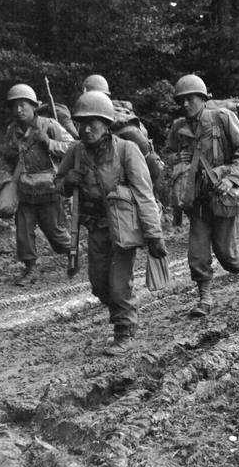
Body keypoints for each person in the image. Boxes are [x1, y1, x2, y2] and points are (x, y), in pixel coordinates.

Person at [57, 91, 165, 355]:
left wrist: (154, 234)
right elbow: (58, 184)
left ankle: (124, 331)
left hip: (124, 229)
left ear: (106, 124)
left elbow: (144, 194)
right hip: (96, 228)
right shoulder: (76, 151)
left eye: (93, 121)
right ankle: (123, 312)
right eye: (81, 122)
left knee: (118, 285)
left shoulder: (126, 150)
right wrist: (66, 181)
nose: (86, 128)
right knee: (99, 285)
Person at [164, 74, 239, 317]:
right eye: (181, 100)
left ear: (202, 98)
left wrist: (229, 179)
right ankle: (205, 299)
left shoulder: (221, 118)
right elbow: (168, 155)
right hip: (196, 198)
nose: (185, 104)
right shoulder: (178, 127)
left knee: (227, 255)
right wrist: (178, 159)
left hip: (222, 195)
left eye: (190, 98)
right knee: (197, 254)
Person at [3, 83, 73, 286]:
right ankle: (30, 268)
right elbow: (8, 158)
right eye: (14, 106)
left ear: (33, 106)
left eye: (23, 105)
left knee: (55, 233)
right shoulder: (12, 131)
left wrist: (49, 143)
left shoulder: (49, 125)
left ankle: (72, 252)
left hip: (49, 189)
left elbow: (73, 148)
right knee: (23, 232)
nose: (18, 110)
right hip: (25, 190)